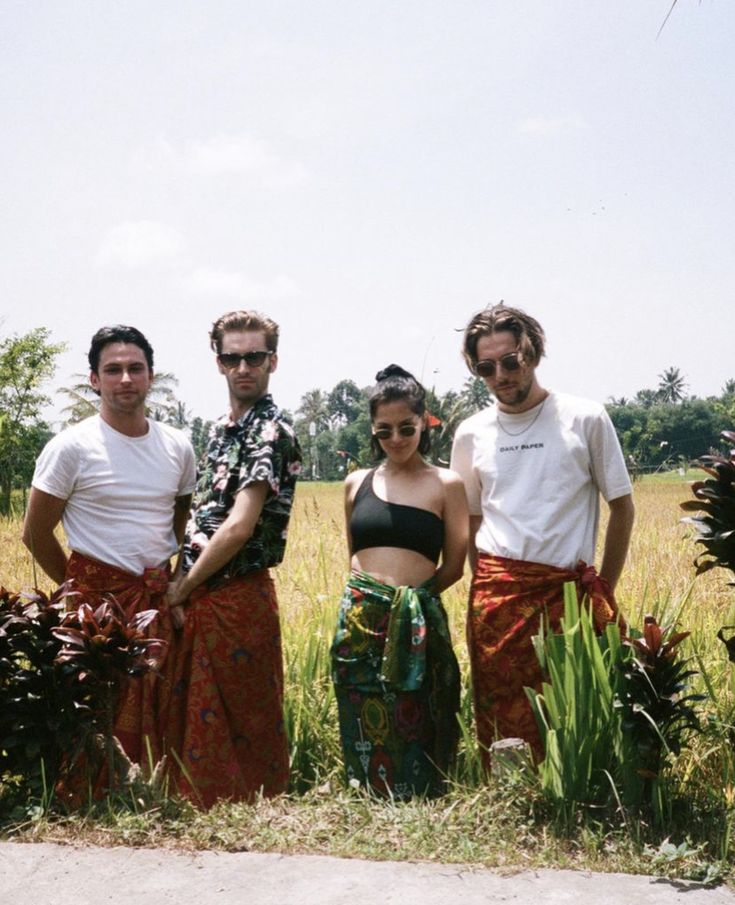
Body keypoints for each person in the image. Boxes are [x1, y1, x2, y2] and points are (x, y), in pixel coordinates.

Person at [450, 304, 635, 764]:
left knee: (572, 711)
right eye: (485, 368)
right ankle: (512, 806)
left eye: (510, 362)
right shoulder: (471, 434)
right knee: (502, 715)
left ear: (533, 353)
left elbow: (622, 507)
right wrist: (490, 589)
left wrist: (603, 587)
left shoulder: (583, 418)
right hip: (498, 600)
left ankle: (572, 805)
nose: (500, 375)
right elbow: (472, 522)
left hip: (568, 595)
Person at [22, 325, 196, 767]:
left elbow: (182, 517)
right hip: (96, 608)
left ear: (151, 377)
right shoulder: (71, 448)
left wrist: (172, 579)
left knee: (161, 701)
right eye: (113, 369)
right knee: (101, 707)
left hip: (156, 599)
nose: (125, 379)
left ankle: (160, 792)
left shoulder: (177, 446)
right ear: (95, 379)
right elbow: (36, 532)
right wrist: (79, 588)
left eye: (135, 369)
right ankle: (96, 799)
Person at [164, 310, 302, 808]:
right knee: (199, 711)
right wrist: (182, 581)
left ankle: (254, 810)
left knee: (247, 713)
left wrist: (180, 588)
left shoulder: (271, 431)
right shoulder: (220, 430)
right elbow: (202, 516)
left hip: (238, 595)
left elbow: (240, 526)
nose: (244, 367)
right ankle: (200, 804)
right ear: (219, 362)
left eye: (255, 356)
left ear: (273, 361)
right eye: (232, 357)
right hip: (202, 591)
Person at [331, 365, 468, 799]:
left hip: (417, 618)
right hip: (360, 617)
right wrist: (374, 602)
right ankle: (366, 791)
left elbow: (454, 565)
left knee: (419, 707)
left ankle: (424, 795)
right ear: (372, 430)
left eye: (406, 428)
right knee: (360, 704)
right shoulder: (357, 483)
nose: (395, 440)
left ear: (424, 422)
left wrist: (410, 603)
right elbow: (353, 553)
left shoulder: (447, 484)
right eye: (384, 430)